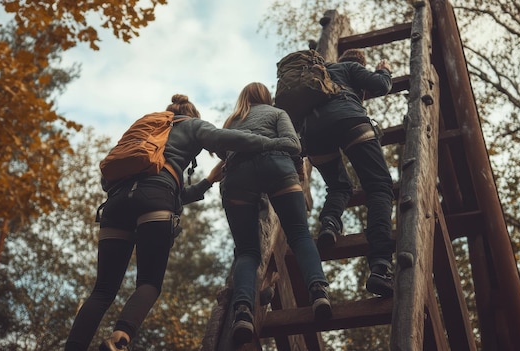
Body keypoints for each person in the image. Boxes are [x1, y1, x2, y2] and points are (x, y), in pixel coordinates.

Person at [64, 94, 301, 351]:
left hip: (116, 202)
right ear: (192, 114)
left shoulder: (146, 130)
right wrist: (273, 143)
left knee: (102, 291)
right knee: (148, 283)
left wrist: (208, 181)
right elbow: (229, 139)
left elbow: (116, 179)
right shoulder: (191, 125)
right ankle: (119, 339)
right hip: (156, 198)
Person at [220, 82, 331, 345]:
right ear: (267, 98)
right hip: (278, 167)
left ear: (243, 97)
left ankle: (243, 312)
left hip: (237, 177)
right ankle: (318, 292)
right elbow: (293, 145)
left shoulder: (232, 120)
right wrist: (298, 171)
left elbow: (222, 151)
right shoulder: (277, 114)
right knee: (300, 235)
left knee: (247, 251)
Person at [301, 48, 395, 298]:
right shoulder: (350, 67)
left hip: (312, 134)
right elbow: (381, 86)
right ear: (359, 63)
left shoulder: (317, 76)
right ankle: (380, 267)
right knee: (379, 187)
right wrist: (384, 69)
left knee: (339, 186)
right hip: (349, 120)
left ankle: (330, 224)